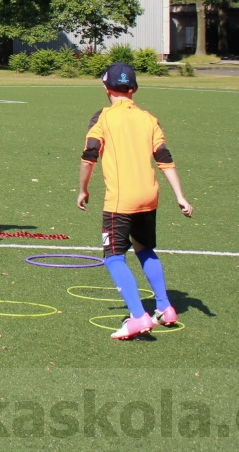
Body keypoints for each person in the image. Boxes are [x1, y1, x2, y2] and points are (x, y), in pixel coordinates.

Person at [78, 61, 193, 339]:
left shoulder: (102, 118)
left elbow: (90, 155)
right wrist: (180, 196)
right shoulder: (148, 118)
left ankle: (138, 316)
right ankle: (165, 308)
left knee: (113, 257)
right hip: (148, 198)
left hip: (121, 200)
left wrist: (82, 189)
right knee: (144, 249)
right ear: (134, 89)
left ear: (106, 88)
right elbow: (164, 159)